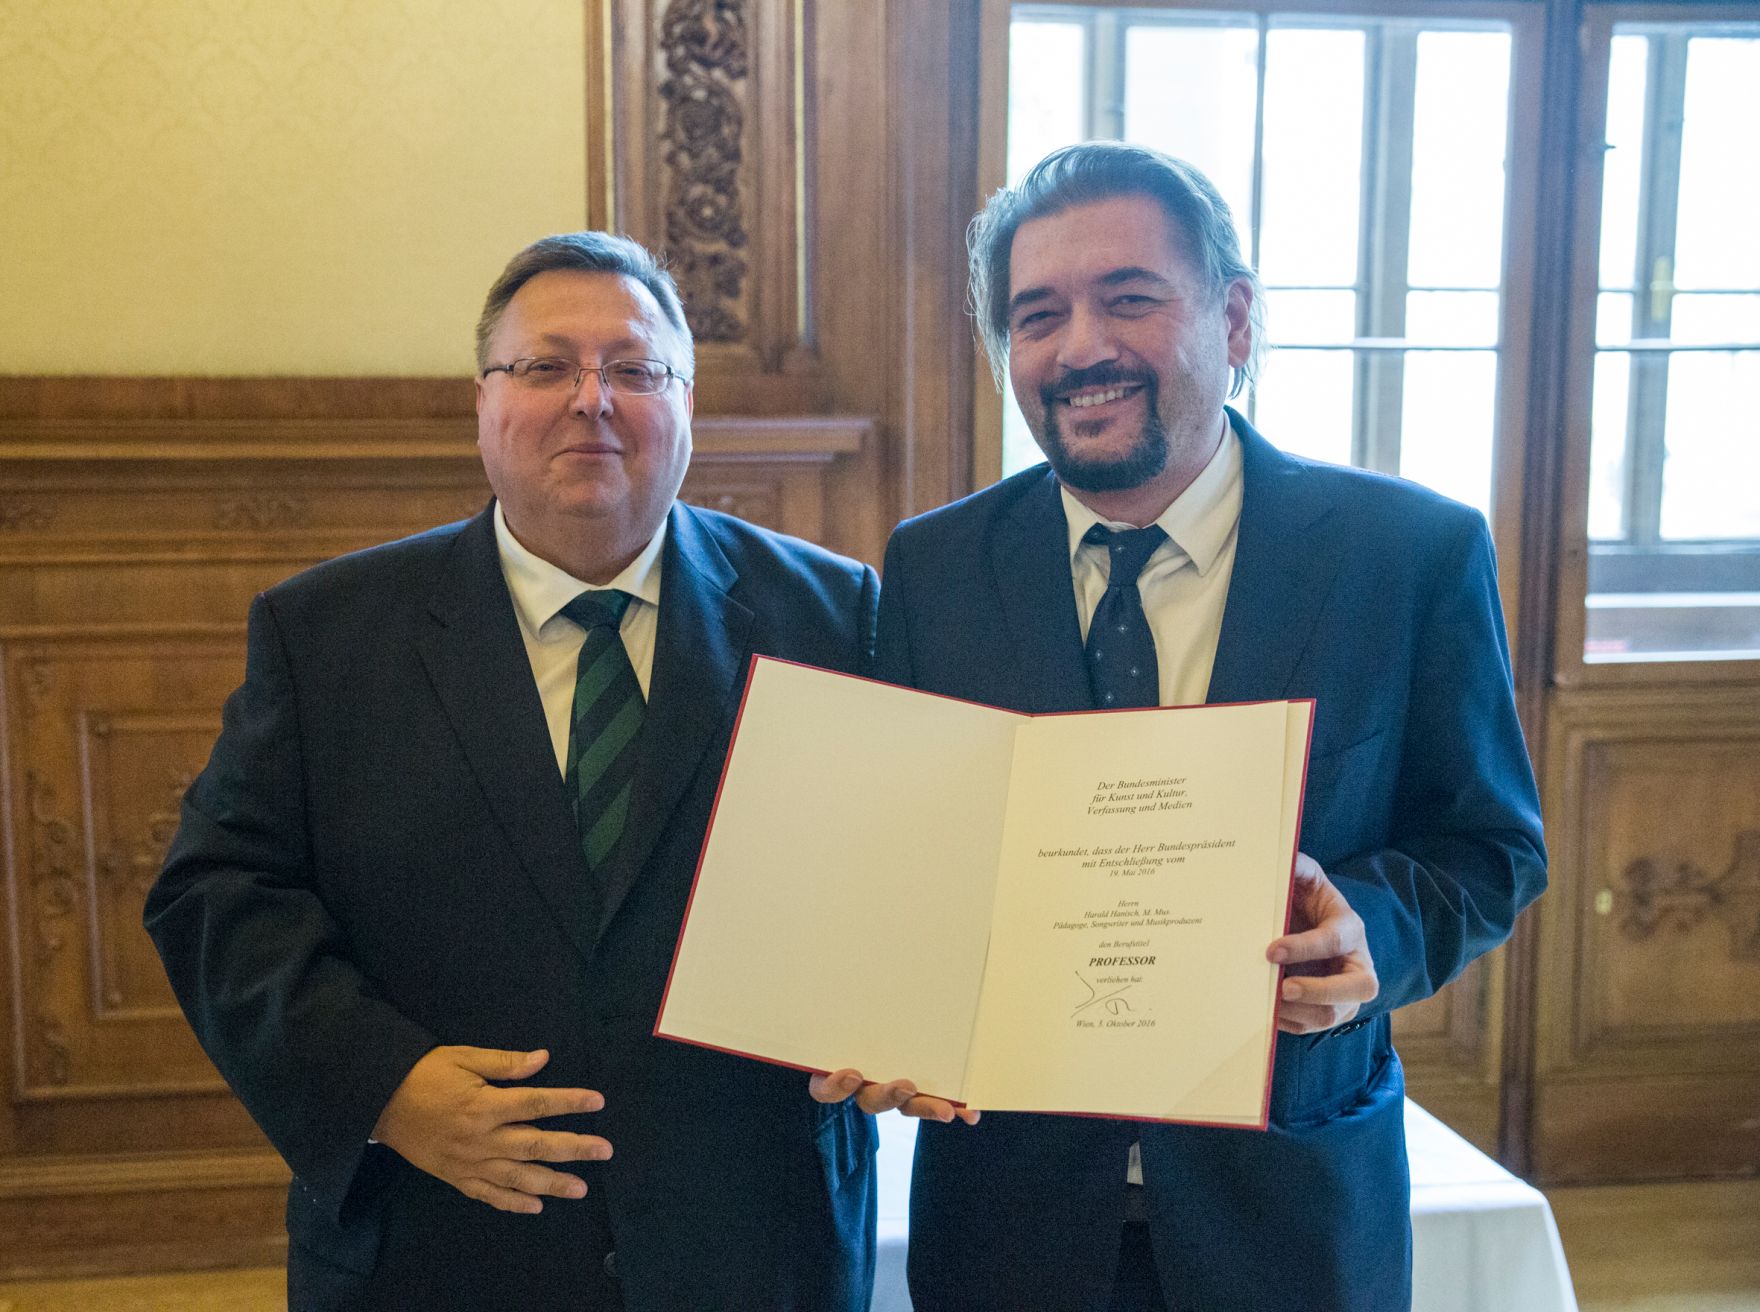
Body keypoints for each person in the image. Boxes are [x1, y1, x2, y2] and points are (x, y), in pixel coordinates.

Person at [812, 143, 1546, 1312]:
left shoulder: (1404, 555)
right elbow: (908, 862)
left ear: (1233, 318)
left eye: (1129, 298)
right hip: (1007, 1215)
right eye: (1036, 314)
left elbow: (1491, 848)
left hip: (1293, 1209)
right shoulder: (935, 567)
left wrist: (1372, 942)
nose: (1079, 347)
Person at [146, 232, 879, 1312]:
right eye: (546, 367)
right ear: (483, 401)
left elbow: (900, 870)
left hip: (749, 1243)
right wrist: (381, 1085)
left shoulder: (833, 614)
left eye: (634, 370)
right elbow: (214, 896)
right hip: (438, 1244)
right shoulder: (326, 634)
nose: (593, 399)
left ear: (687, 407)